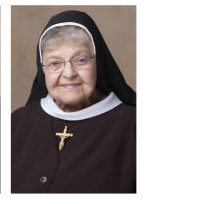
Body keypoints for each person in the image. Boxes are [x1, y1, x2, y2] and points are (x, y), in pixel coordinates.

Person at [11, 10, 136, 193]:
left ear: (98, 63)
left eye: (81, 60)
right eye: (55, 63)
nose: (69, 74)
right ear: (42, 69)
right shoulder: (16, 123)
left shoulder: (134, 126)